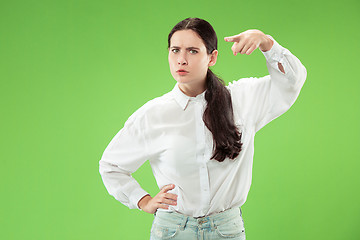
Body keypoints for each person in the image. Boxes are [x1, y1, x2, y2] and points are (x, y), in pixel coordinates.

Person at [99, 17, 307, 240]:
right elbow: (111, 166)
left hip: (226, 230)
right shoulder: (154, 114)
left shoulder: (242, 100)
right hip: (172, 230)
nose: (182, 60)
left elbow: (291, 82)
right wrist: (142, 200)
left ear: (212, 57)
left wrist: (266, 43)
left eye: (193, 51)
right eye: (175, 50)